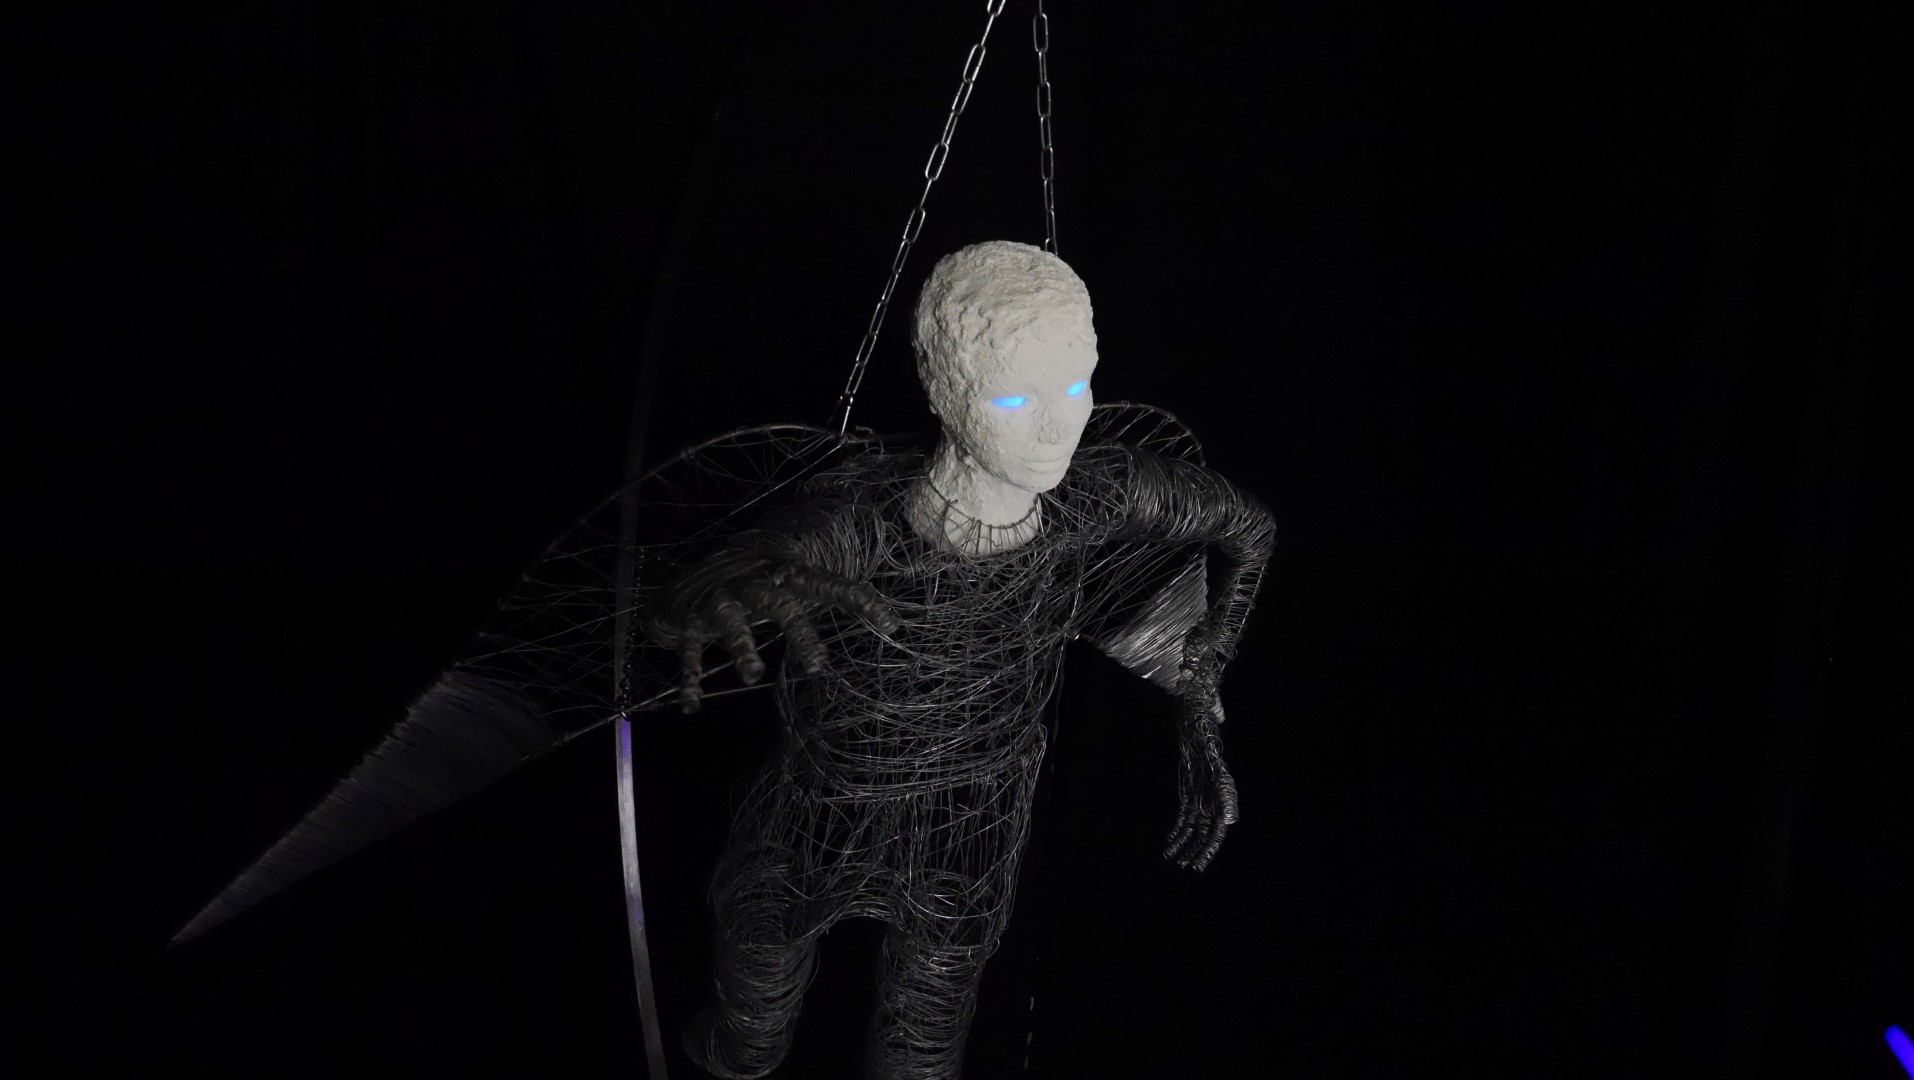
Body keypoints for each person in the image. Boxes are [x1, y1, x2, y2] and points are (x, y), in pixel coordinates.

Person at [643, 240, 1277, 1079]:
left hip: (975, 813)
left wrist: (1199, 682)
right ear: (943, 390)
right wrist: (729, 584)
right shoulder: (865, 516)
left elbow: (1249, 528)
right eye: (1013, 397)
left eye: (1078, 386)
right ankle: (740, 1045)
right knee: (754, 996)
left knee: (928, 1026)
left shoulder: (1094, 498)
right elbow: (750, 570)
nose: (1058, 426)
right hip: (825, 795)